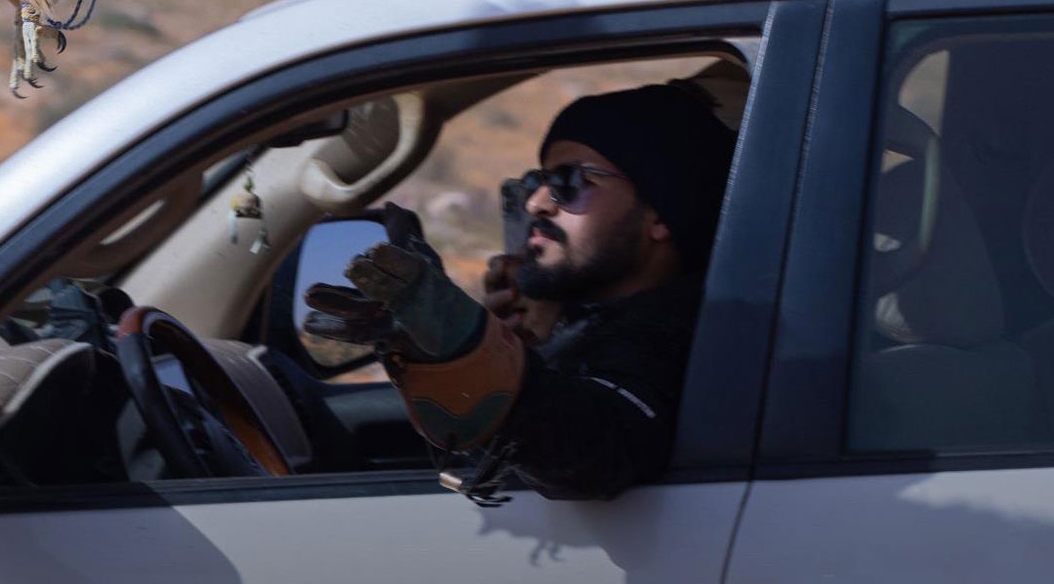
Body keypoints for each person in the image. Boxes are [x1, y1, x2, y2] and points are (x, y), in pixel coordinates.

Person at [303, 81, 737, 500]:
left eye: (569, 181)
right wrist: (517, 343)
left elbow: (599, 447)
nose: (537, 203)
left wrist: (469, 349)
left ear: (660, 215)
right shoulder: (593, 322)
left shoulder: (677, 335)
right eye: (536, 181)